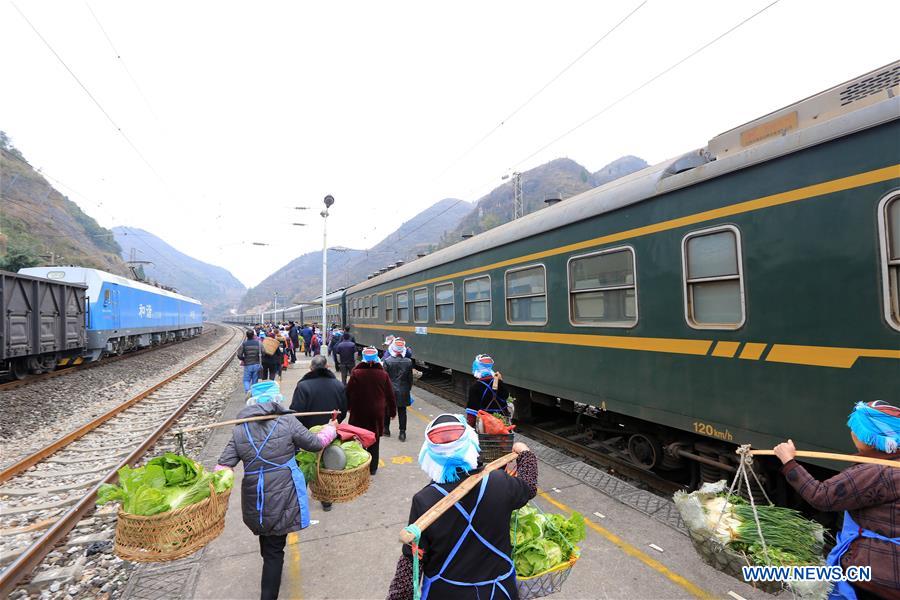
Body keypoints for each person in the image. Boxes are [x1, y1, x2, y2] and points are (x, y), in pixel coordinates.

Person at [387, 415, 537, 600]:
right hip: (500, 593)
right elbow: (529, 486)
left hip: (446, 593)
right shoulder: (500, 482)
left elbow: (412, 562)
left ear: (429, 454)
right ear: (472, 444)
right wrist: (525, 453)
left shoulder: (424, 500)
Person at [773, 401, 900, 600]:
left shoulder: (877, 471)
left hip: (878, 573)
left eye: (857, 429)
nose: (852, 433)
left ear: (871, 438)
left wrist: (788, 462)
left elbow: (821, 496)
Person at [216, 394, 338, 600]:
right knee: (274, 551)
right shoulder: (287, 421)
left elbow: (223, 466)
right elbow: (315, 443)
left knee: (267, 535)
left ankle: (269, 561)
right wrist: (331, 429)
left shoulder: (240, 429)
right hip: (284, 492)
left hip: (255, 495)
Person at [289, 355, 348, 511]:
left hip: (307, 435)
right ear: (327, 367)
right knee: (326, 465)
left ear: (311, 368)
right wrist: (333, 426)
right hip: (330, 433)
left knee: (305, 465)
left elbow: (296, 413)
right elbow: (344, 410)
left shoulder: (303, 386)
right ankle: (326, 500)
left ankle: (299, 501)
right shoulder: (338, 385)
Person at [346, 347, 396, 474]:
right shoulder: (383, 374)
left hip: (359, 411)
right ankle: (373, 468)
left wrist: (347, 407)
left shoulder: (356, 373)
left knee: (359, 438)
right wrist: (392, 412)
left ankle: (360, 465)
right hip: (376, 412)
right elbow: (390, 394)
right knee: (374, 439)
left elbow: (348, 392)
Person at [465, 355, 509, 428]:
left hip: (484, 424)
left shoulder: (475, 387)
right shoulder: (499, 382)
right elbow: (505, 396)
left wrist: (469, 427)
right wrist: (501, 381)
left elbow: (472, 411)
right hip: (502, 422)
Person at [383, 338, 414, 442]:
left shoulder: (387, 361)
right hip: (403, 389)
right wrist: (407, 389)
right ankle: (402, 433)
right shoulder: (409, 362)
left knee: (387, 409)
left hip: (390, 389)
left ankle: (386, 429)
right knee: (402, 411)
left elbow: (384, 379)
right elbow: (410, 379)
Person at [237, 330, 263, 395]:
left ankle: (247, 391)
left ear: (247, 336)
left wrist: (243, 359)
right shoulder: (259, 343)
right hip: (256, 364)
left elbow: (239, 355)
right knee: (255, 380)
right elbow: (264, 352)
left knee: (246, 380)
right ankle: (254, 394)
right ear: (253, 336)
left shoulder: (244, 344)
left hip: (248, 364)